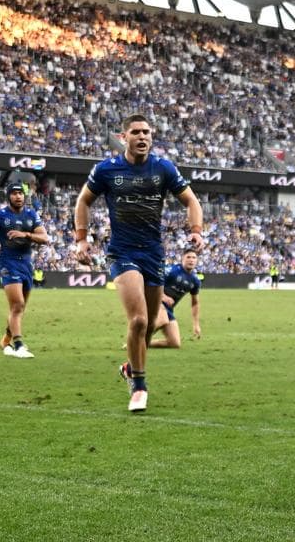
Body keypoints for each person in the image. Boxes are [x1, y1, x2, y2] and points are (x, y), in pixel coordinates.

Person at [74, 114, 205, 413]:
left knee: (146, 331)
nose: (142, 137)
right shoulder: (106, 170)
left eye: (146, 132)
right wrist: (82, 239)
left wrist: (196, 232)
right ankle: (139, 386)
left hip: (154, 255)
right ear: (124, 137)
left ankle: (128, 366)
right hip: (122, 253)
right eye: (136, 132)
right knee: (139, 320)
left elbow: (192, 201)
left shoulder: (163, 168)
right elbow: (83, 201)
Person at [1, 181, 49, 359]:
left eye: (20, 193)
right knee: (17, 305)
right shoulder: (1, 215)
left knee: (19, 309)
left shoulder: (31, 214)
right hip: (8, 262)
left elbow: (44, 238)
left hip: (27, 264)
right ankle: (19, 345)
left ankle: (6, 341)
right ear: (9, 196)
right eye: (14, 193)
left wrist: (26, 234)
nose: (18, 196)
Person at [148, 249, 202, 349]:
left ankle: (144, 343)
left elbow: (195, 303)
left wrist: (196, 324)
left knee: (174, 343)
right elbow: (152, 283)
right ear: (182, 259)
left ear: (197, 260)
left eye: (194, 258)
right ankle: (136, 340)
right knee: (163, 319)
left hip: (168, 309)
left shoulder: (195, 281)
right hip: (155, 302)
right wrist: (163, 297)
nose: (191, 260)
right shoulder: (171, 271)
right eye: (188, 257)